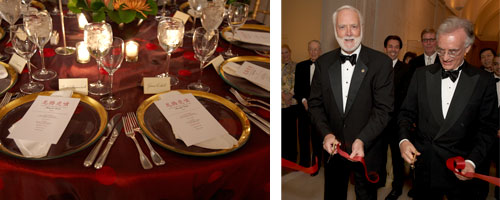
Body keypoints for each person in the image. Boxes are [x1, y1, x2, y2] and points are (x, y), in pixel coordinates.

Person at [398, 17, 498, 199]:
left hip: (461, 170)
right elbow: (405, 113)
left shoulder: (483, 81)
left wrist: (471, 161)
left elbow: (488, 129)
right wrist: (403, 141)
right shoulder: (421, 75)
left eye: (453, 52)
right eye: (440, 50)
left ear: (467, 49)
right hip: (426, 168)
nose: (444, 58)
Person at [309, 5, 394, 200]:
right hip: (333, 150)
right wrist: (326, 133)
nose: (348, 33)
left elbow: (384, 109)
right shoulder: (323, 63)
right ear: (335, 30)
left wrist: (362, 139)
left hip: (367, 149)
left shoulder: (381, 63)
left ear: (362, 27)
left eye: (353, 26)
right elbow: (315, 105)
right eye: (342, 27)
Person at [382, 35, 411, 200]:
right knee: (377, 154)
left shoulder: (406, 70)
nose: (393, 49)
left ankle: (397, 188)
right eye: (390, 46)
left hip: (396, 121)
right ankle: (377, 181)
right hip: (378, 121)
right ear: (385, 48)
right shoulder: (377, 66)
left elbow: (405, 97)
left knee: (397, 158)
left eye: (396, 47)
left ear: (400, 49)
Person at [294, 40, 322, 173]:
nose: (313, 52)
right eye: (311, 49)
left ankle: (316, 165)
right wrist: (304, 100)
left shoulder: (326, 67)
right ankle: (304, 163)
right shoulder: (300, 66)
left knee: (317, 139)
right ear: (308, 50)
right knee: (303, 136)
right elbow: (297, 88)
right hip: (303, 107)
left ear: (320, 51)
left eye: (316, 49)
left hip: (319, 110)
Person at [282, 44, 298, 163]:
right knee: (281, 131)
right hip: (279, 103)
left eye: (286, 52)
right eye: (281, 53)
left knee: (291, 132)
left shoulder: (297, 66)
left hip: (292, 103)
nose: (284, 55)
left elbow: (298, 82)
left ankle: (291, 158)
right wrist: (283, 94)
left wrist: (289, 95)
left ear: (290, 52)